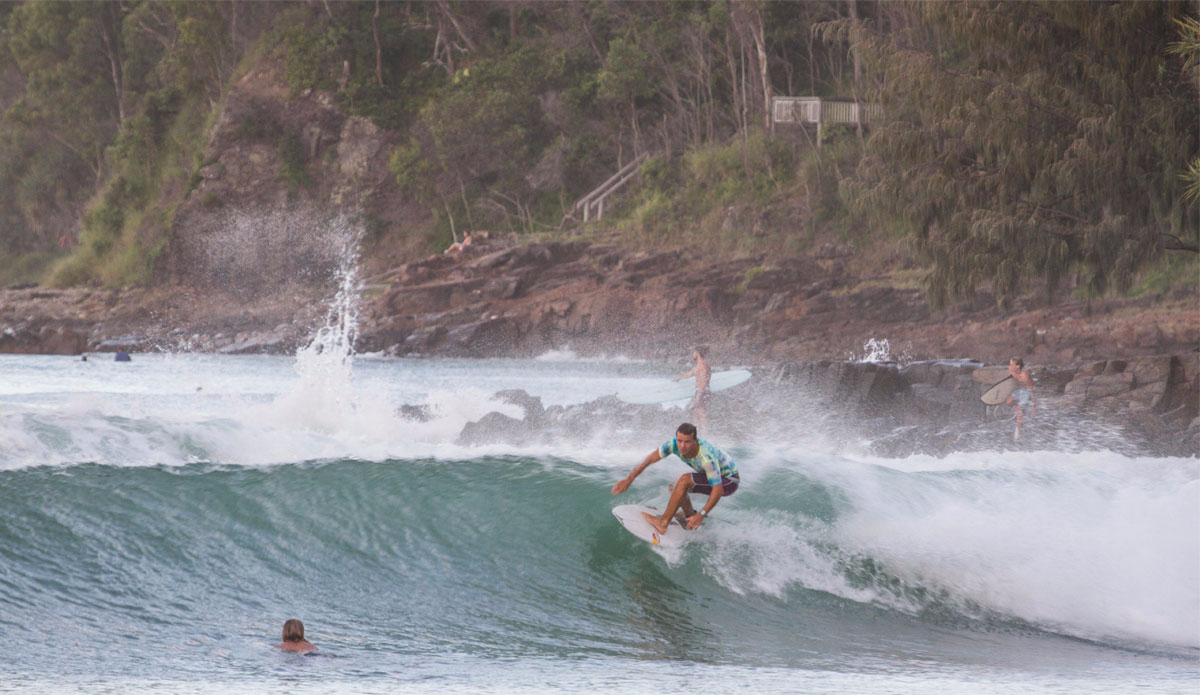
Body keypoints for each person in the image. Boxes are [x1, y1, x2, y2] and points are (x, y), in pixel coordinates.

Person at [612, 422, 740, 535]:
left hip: (729, 482)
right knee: (675, 487)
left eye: (687, 442)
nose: (682, 446)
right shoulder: (673, 445)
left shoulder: (706, 456)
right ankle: (689, 516)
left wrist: (701, 515)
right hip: (715, 477)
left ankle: (663, 523)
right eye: (680, 440)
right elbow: (649, 459)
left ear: (695, 440)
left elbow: (717, 490)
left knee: (684, 480)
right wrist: (629, 479)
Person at [673, 346, 712, 428]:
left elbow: (704, 381)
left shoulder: (703, 366)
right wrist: (679, 378)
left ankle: (705, 437)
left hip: (702, 391)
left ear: (697, 353)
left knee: (701, 414)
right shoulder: (699, 366)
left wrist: (699, 395)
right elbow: (690, 374)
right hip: (700, 391)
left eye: (694, 352)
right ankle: (696, 436)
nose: (693, 354)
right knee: (696, 414)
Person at [1005, 356, 1037, 440]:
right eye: (1009, 364)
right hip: (1019, 390)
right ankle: (1022, 410)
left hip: (1028, 391)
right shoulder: (1011, 372)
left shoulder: (1024, 375)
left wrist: (1034, 406)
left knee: (1019, 409)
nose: (1009, 366)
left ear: (1018, 366)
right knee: (1008, 402)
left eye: (1011, 365)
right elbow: (1010, 383)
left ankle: (1018, 432)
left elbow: (1031, 390)